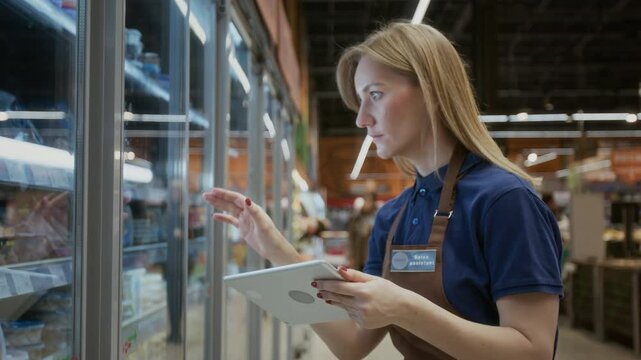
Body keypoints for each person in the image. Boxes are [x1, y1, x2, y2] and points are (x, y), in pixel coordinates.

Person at [203, 22, 562, 359]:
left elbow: (533, 350)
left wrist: (404, 308)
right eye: (359, 100)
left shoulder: (504, 200)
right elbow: (352, 344)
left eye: (375, 94)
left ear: (432, 91)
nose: (361, 118)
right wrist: (278, 251)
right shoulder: (394, 216)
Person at [347, 193, 377, 271]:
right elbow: (351, 238)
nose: (367, 203)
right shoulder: (355, 218)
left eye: (369, 201)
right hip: (358, 256)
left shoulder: (377, 218)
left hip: (371, 257)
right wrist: (350, 255)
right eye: (365, 200)